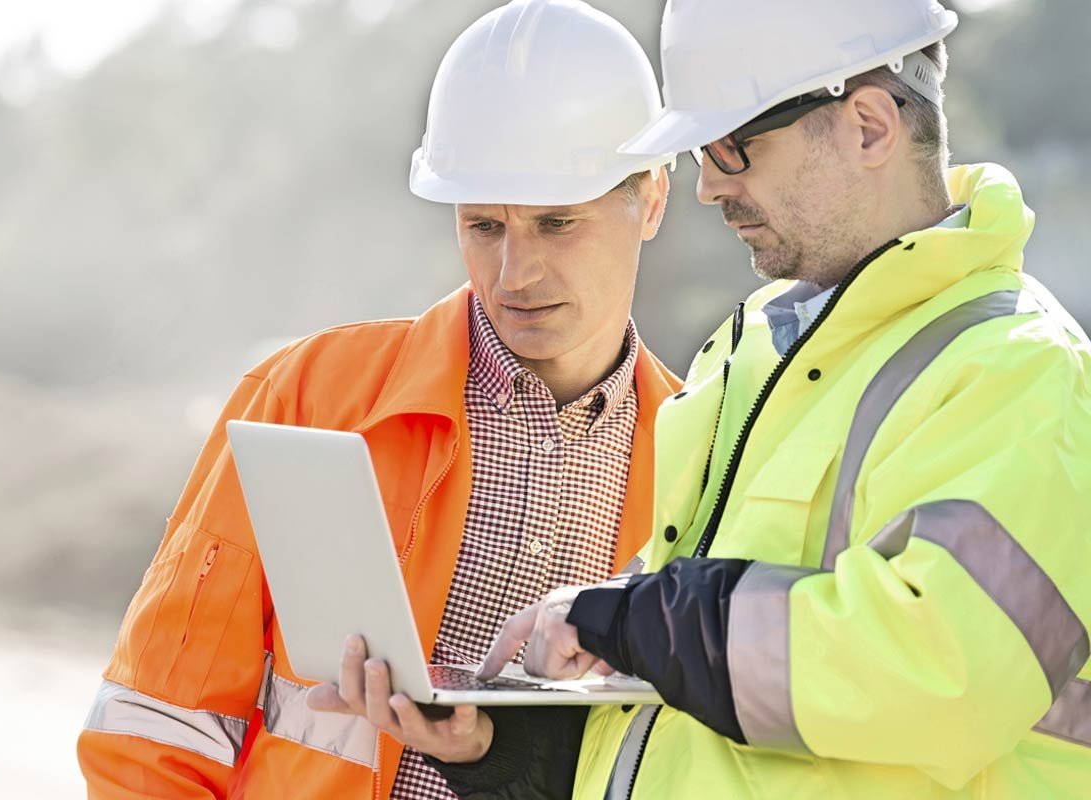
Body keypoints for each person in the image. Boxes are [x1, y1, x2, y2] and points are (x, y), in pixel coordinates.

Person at [396, 0, 1091, 797]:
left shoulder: (1019, 372)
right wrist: (517, 759)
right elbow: (700, 709)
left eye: (733, 147)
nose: (708, 186)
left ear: (868, 126)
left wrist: (643, 618)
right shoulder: (753, 352)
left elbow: (947, 669)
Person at [77, 2, 683, 797]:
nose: (514, 274)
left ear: (652, 199)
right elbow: (157, 724)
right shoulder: (309, 396)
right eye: (484, 227)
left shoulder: (699, 452)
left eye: (556, 223)